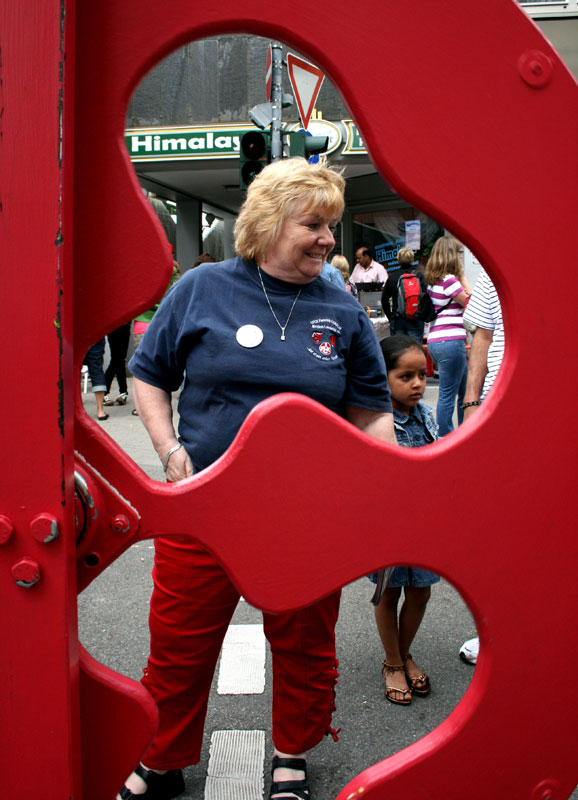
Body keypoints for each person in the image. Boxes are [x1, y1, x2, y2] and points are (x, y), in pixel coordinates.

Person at [122, 157, 396, 800]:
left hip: (305, 515)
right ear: (270, 222)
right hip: (205, 505)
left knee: (305, 643)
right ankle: (162, 760)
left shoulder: (341, 306)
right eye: (315, 224)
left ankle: (292, 756)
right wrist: (167, 450)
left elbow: (369, 408)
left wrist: (387, 487)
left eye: (332, 224)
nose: (330, 238)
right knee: (179, 641)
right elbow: (149, 372)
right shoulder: (202, 288)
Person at [369, 335, 439, 705]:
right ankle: (393, 662)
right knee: (388, 592)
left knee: (421, 592)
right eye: (405, 376)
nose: (417, 384)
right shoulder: (375, 419)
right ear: (383, 378)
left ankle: (405, 651)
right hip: (388, 526)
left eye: (422, 376)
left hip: (424, 525)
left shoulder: (427, 416)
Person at [458, 268, 504, 665]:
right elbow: (483, 338)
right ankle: (494, 628)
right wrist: (472, 403)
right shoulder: (495, 272)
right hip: (500, 409)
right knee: (499, 529)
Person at [425, 236, 472, 436]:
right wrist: (463, 276)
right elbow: (471, 304)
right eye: (460, 253)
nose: (462, 257)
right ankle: (444, 436)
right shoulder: (450, 280)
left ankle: (463, 432)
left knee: (465, 391)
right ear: (452, 255)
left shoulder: (433, 281)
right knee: (448, 394)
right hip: (451, 342)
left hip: (438, 340)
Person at [381, 248, 428, 342]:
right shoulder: (419, 276)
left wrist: (391, 317)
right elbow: (426, 297)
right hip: (416, 318)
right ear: (412, 260)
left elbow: (384, 300)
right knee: (415, 348)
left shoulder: (392, 277)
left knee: (398, 349)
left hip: (398, 319)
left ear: (398, 260)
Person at [103, 322, 131, 406]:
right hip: (113, 325)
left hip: (124, 325)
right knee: (117, 360)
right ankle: (121, 392)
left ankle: (122, 392)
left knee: (119, 360)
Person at [83, 338, 109, 421]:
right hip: (96, 336)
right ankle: (100, 411)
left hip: (77, 336)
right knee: (97, 370)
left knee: (74, 370)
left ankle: (74, 407)